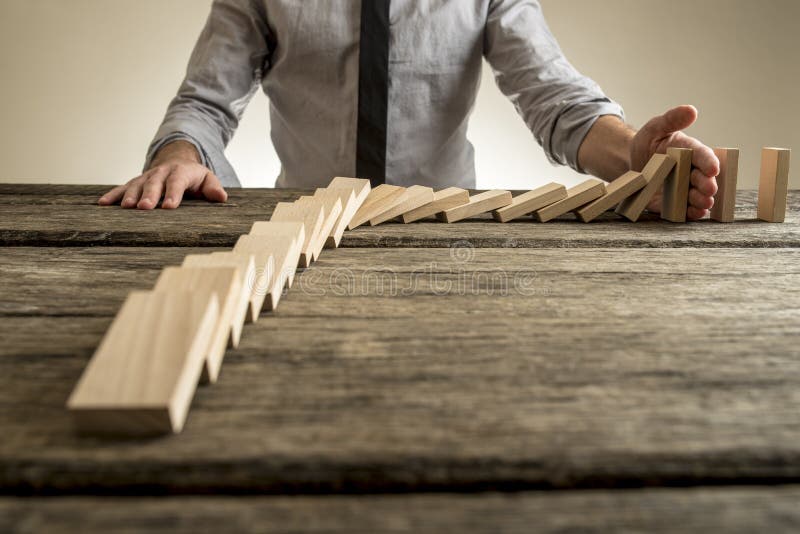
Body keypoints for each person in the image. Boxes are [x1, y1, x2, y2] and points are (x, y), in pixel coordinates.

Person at [99, 0, 719, 220]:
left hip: (448, 242)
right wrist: (180, 155)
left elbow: (554, 99)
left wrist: (635, 154)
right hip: (300, 236)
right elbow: (205, 102)